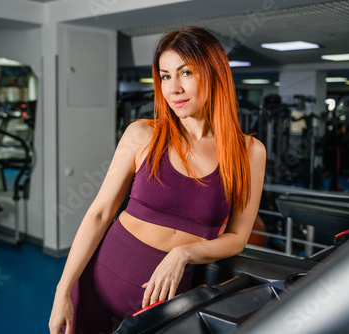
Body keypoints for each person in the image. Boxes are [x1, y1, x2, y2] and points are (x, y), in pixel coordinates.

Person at [48, 26, 266, 334]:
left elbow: (238, 237)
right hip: (97, 286)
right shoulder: (143, 135)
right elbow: (99, 213)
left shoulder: (249, 152)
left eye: (185, 72)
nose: (173, 88)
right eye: (165, 76)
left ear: (214, 72)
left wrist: (184, 253)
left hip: (167, 304)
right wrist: (62, 291)